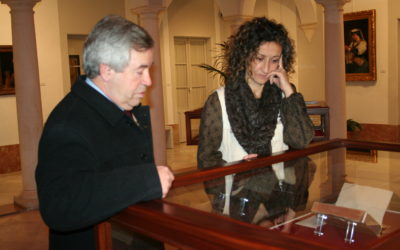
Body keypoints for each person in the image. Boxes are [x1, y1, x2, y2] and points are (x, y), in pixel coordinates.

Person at [35, 15, 174, 250]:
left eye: (149, 70)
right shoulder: (69, 123)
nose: (148, 81)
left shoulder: (121, 106)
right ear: (107, 70)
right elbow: (59, 205)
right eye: (140, 71)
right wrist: (146, 180)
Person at [197, 17, 314, 169]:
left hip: (279, 189)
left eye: (274, 60)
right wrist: (237, 168)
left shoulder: (285, 96)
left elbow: (301, 141)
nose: (266, 69)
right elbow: (206, 159)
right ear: (244, 55)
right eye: (259, 58)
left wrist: (288, 91)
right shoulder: (219, 100)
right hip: (236, 189)